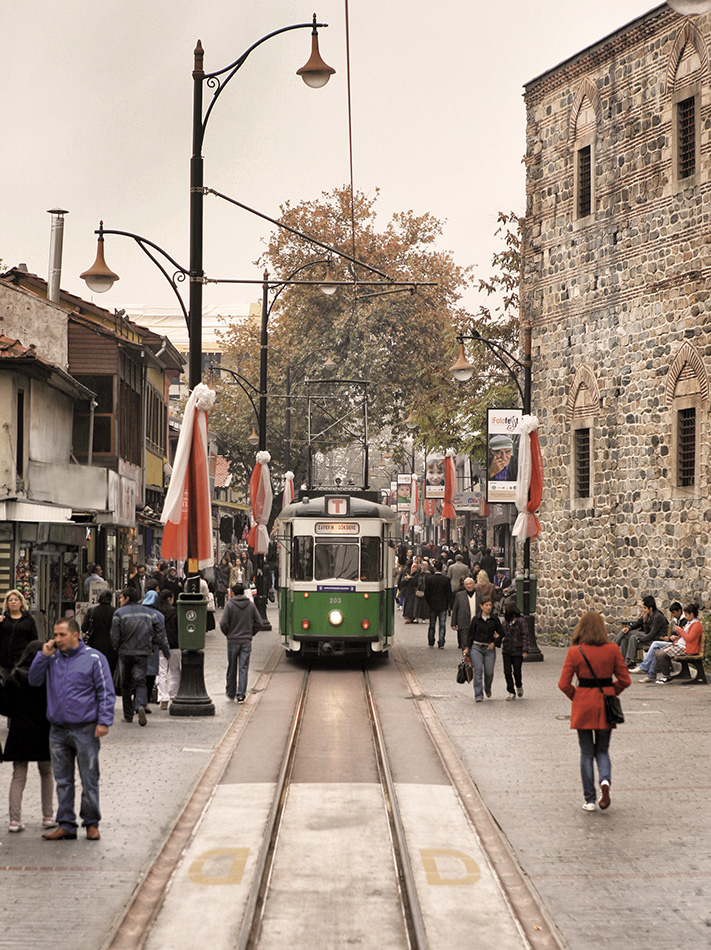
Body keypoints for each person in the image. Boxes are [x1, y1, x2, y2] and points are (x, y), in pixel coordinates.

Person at [28, 618, 115, 840]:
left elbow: (105, 691)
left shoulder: (94, 658)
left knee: (89, 778)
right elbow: (34, 680)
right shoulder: (53, 658)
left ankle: (91, 823)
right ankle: (66, 823)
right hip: (57, 729)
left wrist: (104, 721)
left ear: (75, 635)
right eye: (55, 635)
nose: (57, 639)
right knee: (63, 780)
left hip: (85, 728)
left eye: (62, 635)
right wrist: (43, 656)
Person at [558, 611, 630, 811]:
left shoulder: (575, 651)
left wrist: (577, 696)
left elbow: (563, 684)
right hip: (604, 704)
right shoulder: (612, 649)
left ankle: (589, 800)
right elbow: (625, 679)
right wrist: (610, 692)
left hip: (583, 703)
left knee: (586, 752)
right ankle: (605, 782)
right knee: (603, 750)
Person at [0, 640, 55, 832]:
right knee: (47, 773)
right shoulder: (49, 676)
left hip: (20, 731)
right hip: (44, 730)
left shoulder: (14, 676)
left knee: (18, 775)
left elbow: (3, 706)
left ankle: (14, 820)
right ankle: (48, 816)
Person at [110, 587, 169, 727]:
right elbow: (159, 633)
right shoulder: (149, 613)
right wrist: (158, 648)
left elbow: (114, 635)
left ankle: (128, 715)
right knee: (140, 681)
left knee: (126, 684)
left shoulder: (119, 613)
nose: (119, 600)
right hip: (143, 652)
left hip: (125, 653)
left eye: (121, 597)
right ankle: (141, 705)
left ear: (127, 598)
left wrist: (117, 647)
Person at [220, 582, 262, 702]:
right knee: (243, 667)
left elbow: (223, 623)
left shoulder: (229, 605)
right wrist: (250, 633)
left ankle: (230, 691)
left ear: (232, 592)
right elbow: (259, 622)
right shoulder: (250, 605)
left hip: (233, 640)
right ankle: (241, 693)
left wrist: (228, 633)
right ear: (244, 592)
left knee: (232, 666)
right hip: (246, 640)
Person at [463, 596, 503, 702]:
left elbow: (501, 633)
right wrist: (467, 647)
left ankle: (488, 688)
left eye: (490, 605)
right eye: (486, 605)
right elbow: (470, 634)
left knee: (489, 672)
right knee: (478, 671)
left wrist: (494, 643)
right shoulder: (476, 619)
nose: (489, 607)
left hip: (489, 649)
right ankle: (478, 694)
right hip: (477, 647)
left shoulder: (494, 619)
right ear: (481, 606)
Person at [654, 603, 703, 683]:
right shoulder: (690, 623)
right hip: (680, 645)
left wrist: (679, 630)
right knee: (658, 652)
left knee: (661, 655)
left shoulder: (696, 625)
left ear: (691, 614)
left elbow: (689, 638)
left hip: (686, 648)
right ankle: (668, 674)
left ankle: (666, 676)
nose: (685, 617)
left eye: (686, 615)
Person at [616, 595, 668, 668]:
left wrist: (639, 639)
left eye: (644, 608)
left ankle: (614, 648)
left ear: (650, 608)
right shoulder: (647, 614)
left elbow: (651, 634)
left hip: (655, 639)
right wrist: (630, 627)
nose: (643, 610)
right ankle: (624, 663)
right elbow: (639, 623)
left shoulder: (657, 617)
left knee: (632, 636)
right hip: (647, 635)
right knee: (624, 638)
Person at [0, 590, 38, 676]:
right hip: (5, 662)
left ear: (21, 602)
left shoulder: (28, 619)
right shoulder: (3, 619)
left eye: (16, 599)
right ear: (7, 604)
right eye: (10, 600)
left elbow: (34, 640)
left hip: (22, 662)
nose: (13, 602)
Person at [81, 589, 118, 676]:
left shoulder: (92, 611)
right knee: (109, 673)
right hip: (111, 649)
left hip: (95, 646)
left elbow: (84, 628)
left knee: (96, 673)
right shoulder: (116, 612)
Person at [500, 602, 530, 700]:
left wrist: (525, 650)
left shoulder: (521, 621)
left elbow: (525, 635)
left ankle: (518, 685)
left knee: (517, 671)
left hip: (517, 649)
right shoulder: (505, 622)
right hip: (507, 649)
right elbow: (502, 633)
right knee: (507, 671)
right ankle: (510, 691)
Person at [156, 588, 180, 708]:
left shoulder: (158, 612)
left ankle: (163, 698)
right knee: (175, 671)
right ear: (169, 599)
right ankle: (173, 695)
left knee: (162, 672)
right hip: (175, 644)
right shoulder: (176, 611)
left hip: (161, 646)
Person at [424, 560, 450, 648]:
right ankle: (441, 641)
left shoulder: (429, 579)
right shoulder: (446, 579)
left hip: (432, 605)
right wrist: (448, 604)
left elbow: (426, 592)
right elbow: (448, 593)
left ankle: (431, 641)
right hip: (443, 604)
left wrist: (429, 602)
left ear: (434, 568)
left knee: (432, 624)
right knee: (442, 624)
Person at [451, 575, 477, 649]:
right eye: (467, 584)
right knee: (465, 644)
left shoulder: (479, 596)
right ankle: (466, 658)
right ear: (464, 586)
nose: (469, 586)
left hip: (476, 623)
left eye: (470, 584)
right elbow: (455, 609)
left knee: (475, 644)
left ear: (474, 584)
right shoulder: (459, 595)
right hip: (463, 622)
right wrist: (453, 623)